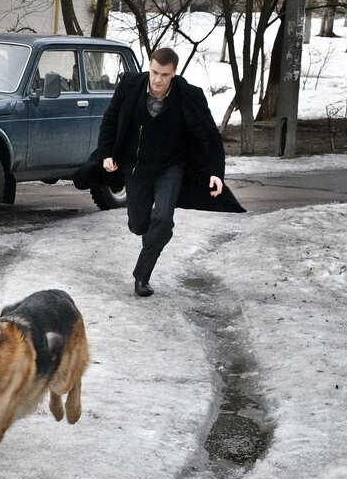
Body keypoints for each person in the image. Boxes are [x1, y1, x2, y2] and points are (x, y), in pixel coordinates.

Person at [97, 47, 240, 297]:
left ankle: (142, 276)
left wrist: (216, 172)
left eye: (164, 74)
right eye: (154, 72)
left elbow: (210, 135)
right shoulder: (130, 85)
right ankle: (155, 236)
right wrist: (107, 153)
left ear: (174, 72)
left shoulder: (189, 95)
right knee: (138, 224)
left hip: (170, 167)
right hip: (136, 166)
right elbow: (110, 120)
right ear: (149, 67)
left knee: (162, 219)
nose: (157, 79)